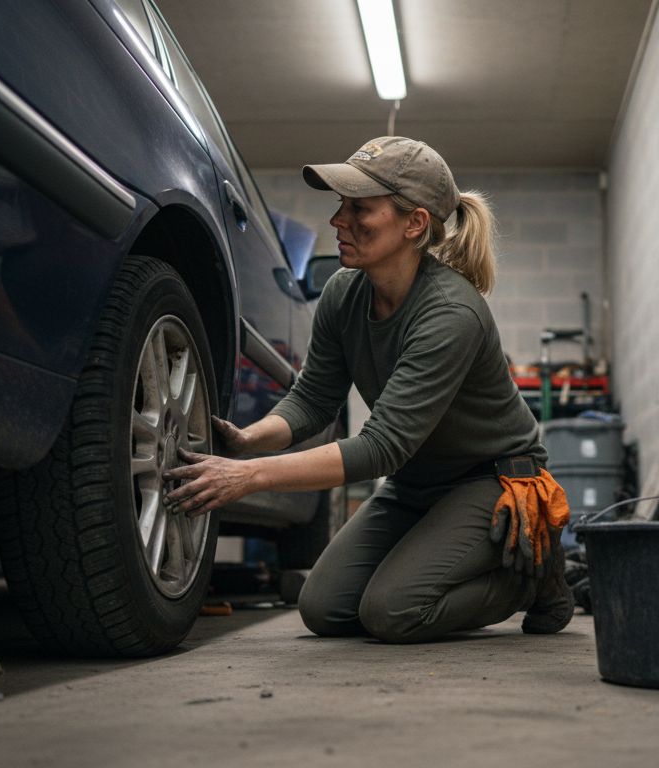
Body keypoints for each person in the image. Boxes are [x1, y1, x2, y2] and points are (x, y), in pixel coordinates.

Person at [164, 136, 572, 643]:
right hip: (417, 484)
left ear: (414, 224)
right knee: (324, 609)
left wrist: (249, 477)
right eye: (341, 206)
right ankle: (464, 567)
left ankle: (532, 579)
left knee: (393, 612)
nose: (339, 220)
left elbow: (382, 447)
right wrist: (250, 440)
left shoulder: (451, 313)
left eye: (360, 208)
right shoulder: (344, 292)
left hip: (492, 483)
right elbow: (314, 397)